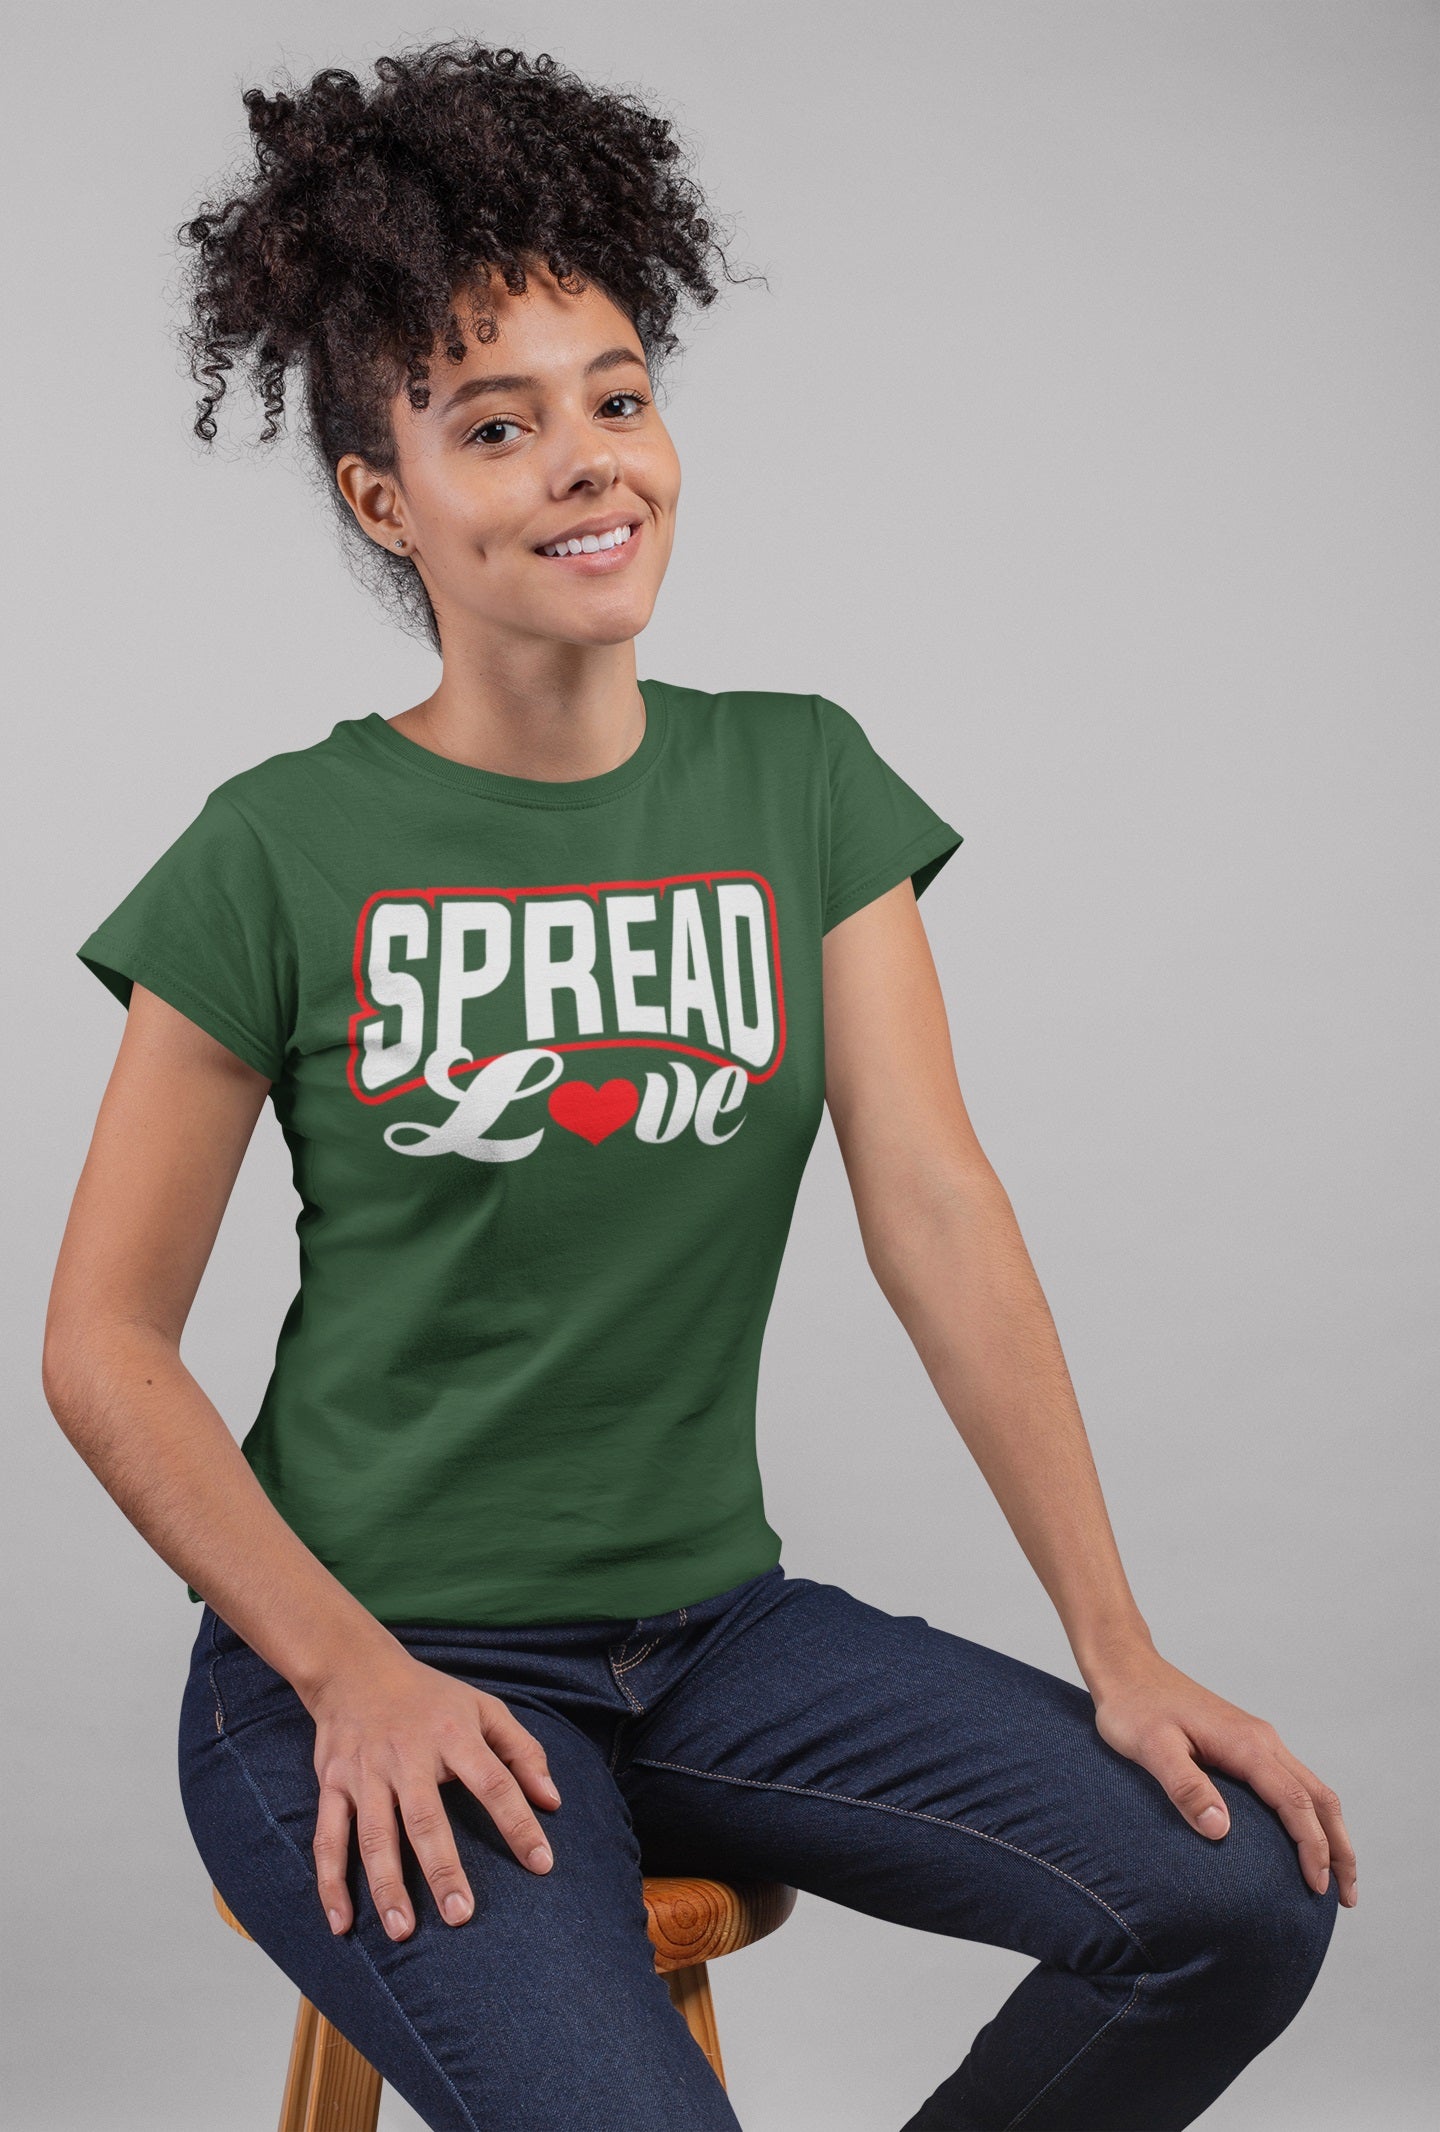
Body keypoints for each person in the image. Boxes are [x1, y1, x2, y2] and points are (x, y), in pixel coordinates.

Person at [43, 39, 1352, 2132]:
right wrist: (351, 1672)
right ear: (387, 497)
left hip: (710, 1641)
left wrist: (1119, 1641)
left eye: (619, 400)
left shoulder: (798, 783)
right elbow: (103, 1344)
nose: (590, 464)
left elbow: (936, 1209)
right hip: (359, 1662)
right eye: (500, 424)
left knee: (1236, 1899)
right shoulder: (276, 847)